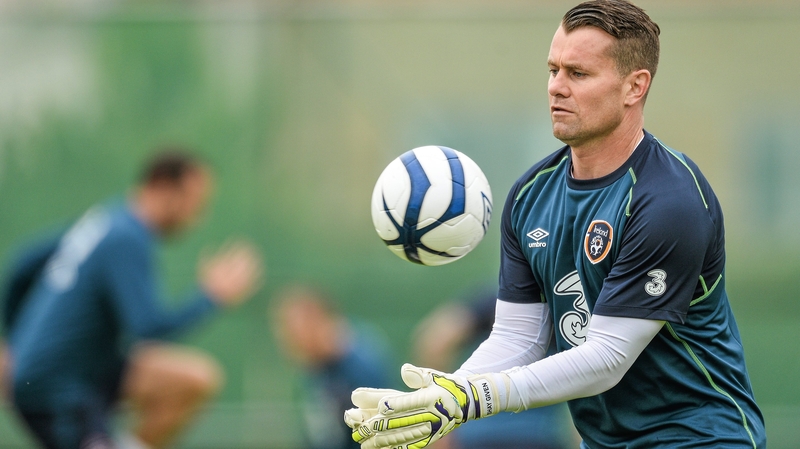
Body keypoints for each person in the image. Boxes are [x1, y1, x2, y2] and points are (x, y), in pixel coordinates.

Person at [344, 1, 767, 448]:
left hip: (700, 438)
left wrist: (475, 398)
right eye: (553, 70)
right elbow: (518, 337)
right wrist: (445, 398)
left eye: (578, 74)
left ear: (634, 87)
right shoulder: (530, 196)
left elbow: (608, 356)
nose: (556, 88)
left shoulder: (669, 200)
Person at [1, 149, 263, 449]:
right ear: (164, 187)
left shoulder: (106, 221)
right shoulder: (127, 239)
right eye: (194, 202)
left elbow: (22, 267)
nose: (197, 216)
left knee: (195, 380)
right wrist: (211, 297)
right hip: (57, 390)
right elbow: (149, 329)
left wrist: (14, 343)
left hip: (84, 372)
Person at [410, 288, 577, 449]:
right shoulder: (569, 311)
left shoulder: (499, 299)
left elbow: (435, 343)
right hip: (536, 437)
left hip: (482, 436)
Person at [271, 285, 392, 449]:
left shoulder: (362, 365)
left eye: (292, 333)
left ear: (314, 322)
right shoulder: (318, 366)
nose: (288, 343)